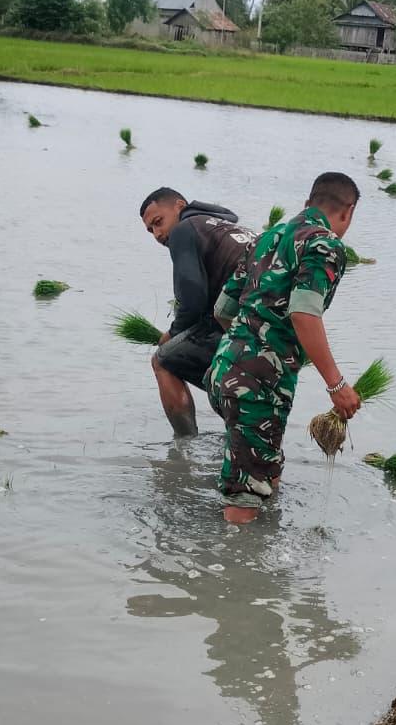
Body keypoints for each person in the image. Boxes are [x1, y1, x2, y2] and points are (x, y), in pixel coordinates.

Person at [205, 172, 361, 525]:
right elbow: (305, 313)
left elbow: (223, 310)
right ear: (348, 211)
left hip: (221, 370)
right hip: (255, 389)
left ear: (309, 203)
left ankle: (264, 550)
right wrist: (337, 386)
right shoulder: (325, 245)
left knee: (266, 471)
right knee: (243, 500)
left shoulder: (265, 238)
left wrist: (249, 352)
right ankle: (234, 571)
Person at [138, 188, 256, 437]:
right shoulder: (224, 227)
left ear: (179, 206)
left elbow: (191, 298)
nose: (158, 234)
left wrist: (172, 334)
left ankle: (183, 448)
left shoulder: (184, 229)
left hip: (246, 321)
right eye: (150, 230)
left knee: (162, 360)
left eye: (158, 222)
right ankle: (241, 438)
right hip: (274, 321)